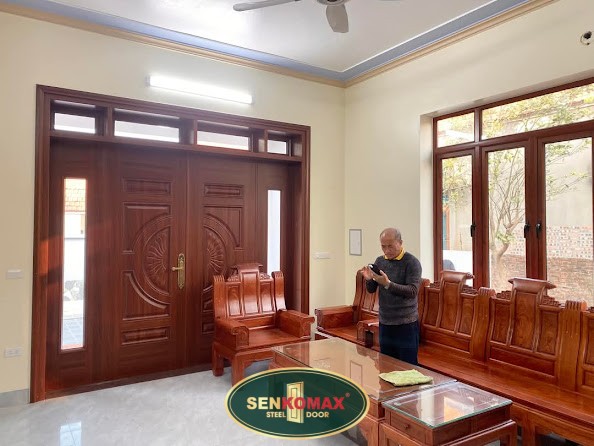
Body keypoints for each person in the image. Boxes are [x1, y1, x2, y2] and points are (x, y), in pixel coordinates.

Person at [360, 228, 422, 365]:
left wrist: (388, 284)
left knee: (407, 367)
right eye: (383, 246)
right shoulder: (380, 261)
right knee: (386, 365)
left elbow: (412, 291)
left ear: (400, 242)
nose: (387, 251)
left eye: (390, 246)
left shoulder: (412, 262)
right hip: (385, 322)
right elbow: (371, 290)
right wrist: (369, 279)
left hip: (406, 324)